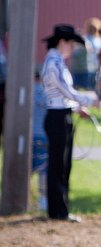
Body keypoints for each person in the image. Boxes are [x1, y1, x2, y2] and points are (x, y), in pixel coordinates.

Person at [41, 24, 100, 222]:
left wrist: (76, 108)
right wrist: (90, 101)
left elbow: (62, 95)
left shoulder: (56, 61)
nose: (73, 49)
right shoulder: (53, 63)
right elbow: (66, 91)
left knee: (63, 164)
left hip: (62, 115)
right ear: (62, 42)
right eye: (72, 45)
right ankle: (58, 210)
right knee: (58, 165)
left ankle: (60, 209)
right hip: (57, 118)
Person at [70, 17, 101, 90]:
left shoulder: (99, 41)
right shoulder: (84, 39)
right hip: (83, 70)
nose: (93, 29)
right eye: (91, 27)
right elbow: (75, 53)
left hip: (94, 70)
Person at [32, 67, 48, 212]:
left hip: (28, 135)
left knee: (27, 169)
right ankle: (43, 200)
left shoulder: (25, 92)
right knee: (44, 170)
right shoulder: (46, 93)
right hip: (43, 135)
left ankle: (24, 198)